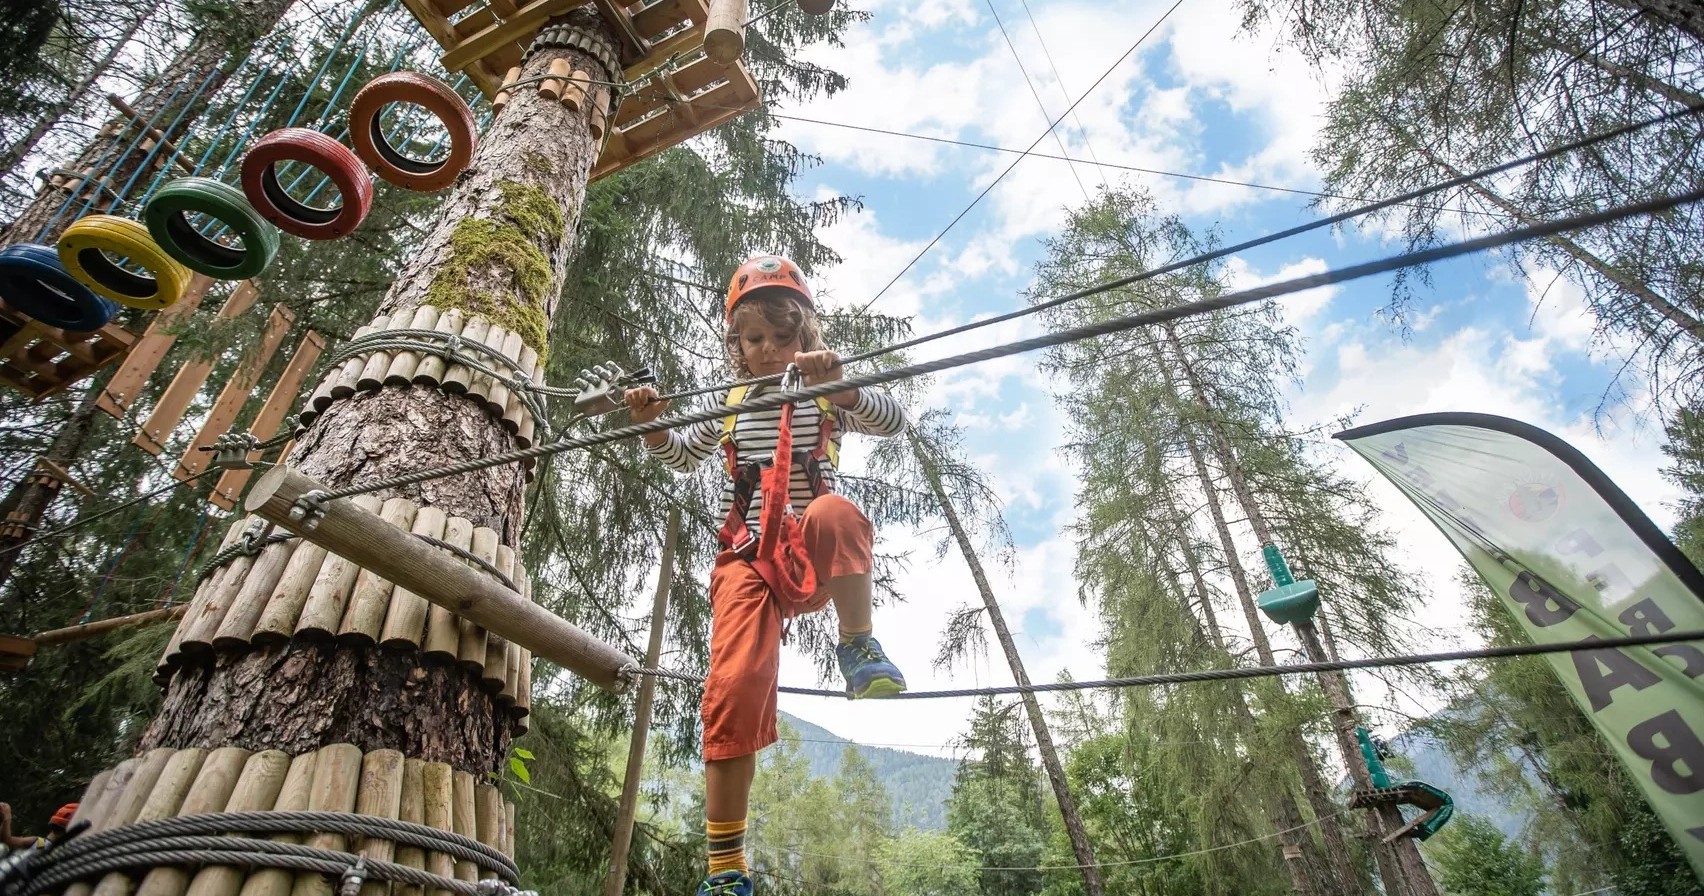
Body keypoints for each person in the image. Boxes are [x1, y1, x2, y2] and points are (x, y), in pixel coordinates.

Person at [624, 254, 908, 896]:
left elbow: (893, 421)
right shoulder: (727, 403)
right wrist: (649, 424)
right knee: (734, 683)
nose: (769, 350)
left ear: (804, 336)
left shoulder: (824, 385)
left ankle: (858, 643)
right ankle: (726, 868)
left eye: (784, 338)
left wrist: (840, 386)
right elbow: (678, 452)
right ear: (737, 345)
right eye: (755, 340)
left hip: (809, 542)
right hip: (748, 555)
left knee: (836, 510)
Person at [0, 802, 76, 851]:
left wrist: (7, 818)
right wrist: (7, 818)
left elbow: (7, 840)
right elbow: (8, 841)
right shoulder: (41, 843)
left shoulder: (40, 842)